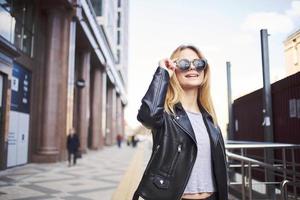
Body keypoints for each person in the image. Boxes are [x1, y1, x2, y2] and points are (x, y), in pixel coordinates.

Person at [132, 45, 228, 200]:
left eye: (198, 63)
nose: (192, 67)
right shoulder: (166, 115)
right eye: (184, 64)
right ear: (174, 69)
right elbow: (147, 116)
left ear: (204, 70)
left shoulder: (211, 121)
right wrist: (162, 73)